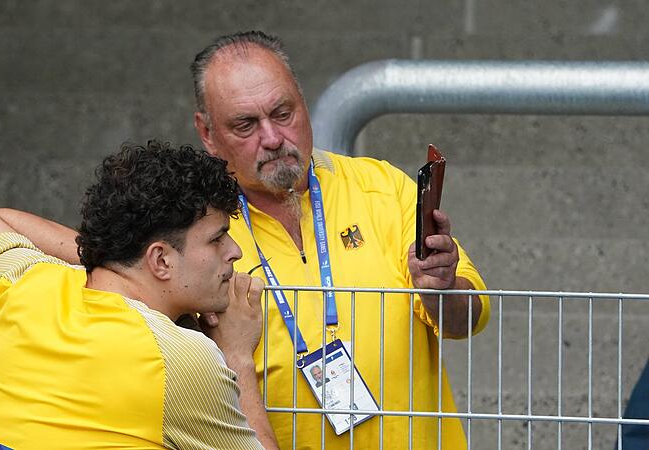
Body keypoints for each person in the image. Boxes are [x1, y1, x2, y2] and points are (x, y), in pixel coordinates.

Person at [190, 31, 490, 449]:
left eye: (283, 113)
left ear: (303, 102)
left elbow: (468, 321)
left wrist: (442, 288)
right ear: (207, 133)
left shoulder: (381, 186)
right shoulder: (196, 230)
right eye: (246, 125)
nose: (273, 138)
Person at [0, 141, 278, 449]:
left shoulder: (16, 287)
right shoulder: (178, 359)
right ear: (161, 260)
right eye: (217, 239)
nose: (234, 252)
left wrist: (112, 255)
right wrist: (236, 356)